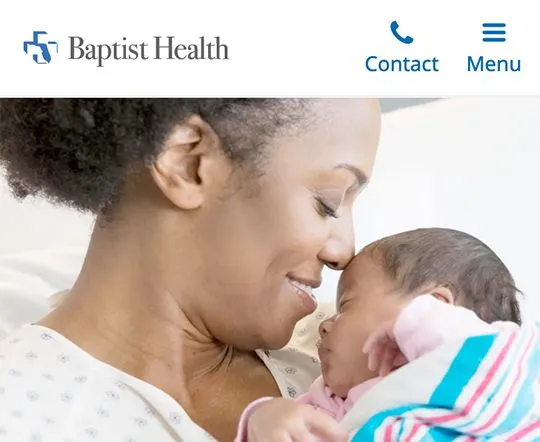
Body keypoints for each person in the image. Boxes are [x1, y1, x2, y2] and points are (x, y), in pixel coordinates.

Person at [0, 98, 381, 441]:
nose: (343, 252)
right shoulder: (20, 411)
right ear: (189, 164)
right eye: (328, 202)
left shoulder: (363, 350)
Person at [237, 228, 522, 441]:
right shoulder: (331, 403)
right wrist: (264, 417)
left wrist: (420, 321)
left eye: (346, 306)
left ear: (434, 305)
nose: (324, 325)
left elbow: (496, 356)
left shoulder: (488, 369)